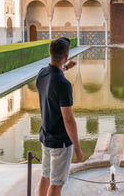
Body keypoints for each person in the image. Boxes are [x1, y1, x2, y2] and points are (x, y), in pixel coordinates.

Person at [36, 37, 82, 196]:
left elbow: (54, 73)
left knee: (45, 177)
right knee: (56, 185)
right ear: (66, 56)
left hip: (46, 137)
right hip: (60, 142)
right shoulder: (63, 85)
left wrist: (65, 67)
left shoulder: (42, 73)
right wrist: (77, 146)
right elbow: (68, 120)